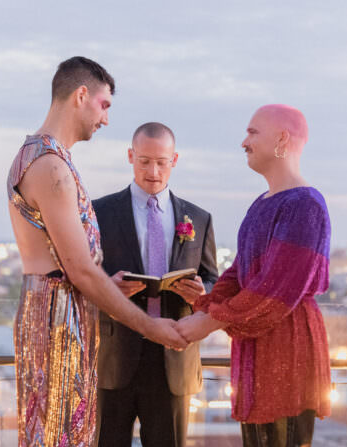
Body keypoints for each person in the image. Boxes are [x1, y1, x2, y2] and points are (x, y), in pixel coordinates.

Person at [7, 57, 187, 447]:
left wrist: (107, 287)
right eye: (104, 106)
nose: (105, 120)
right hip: (58, 323)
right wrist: (149, 325)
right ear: (81, 95)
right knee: (58, 437)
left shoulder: (39, 157)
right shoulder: (51, 167)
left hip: (58, 314)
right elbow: (81, 272)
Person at [176, 105, 332, 447]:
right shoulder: (264, 203)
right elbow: (241, 274)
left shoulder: (305, 205)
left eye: (252, 132)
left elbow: (273, 291)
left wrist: (205, 322)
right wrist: (206, 303)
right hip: (259, 347)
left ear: (282, 139)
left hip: (287, 349)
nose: (243, 142)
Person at [93, 122, 219, 447]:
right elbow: (83, 279)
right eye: (145, 161)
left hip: (174, 358)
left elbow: (213, 279)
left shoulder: (199, 218)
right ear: (130, 156)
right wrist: (108, 286)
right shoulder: (99, 212)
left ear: (174, 160)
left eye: (161, 162)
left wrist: (202, 293)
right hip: (114, 356)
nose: (153, 171)